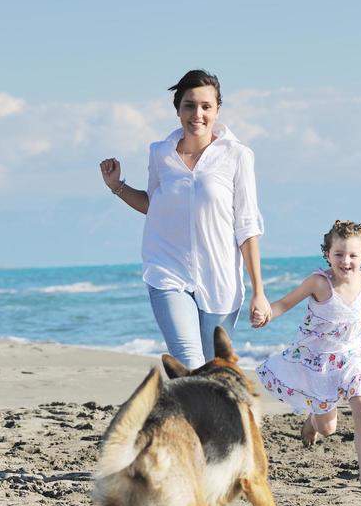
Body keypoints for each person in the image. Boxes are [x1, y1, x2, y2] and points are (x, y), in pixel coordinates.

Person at [99, 70, 271, 369]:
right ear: (178, 110)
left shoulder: (237, 155)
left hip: (220, 280)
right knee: (188, 363)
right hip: (167, 269)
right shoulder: (160, 153)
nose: (198, 114)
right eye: (189, 105)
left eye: (206, 106)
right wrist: (117, 186)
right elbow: (153, 204)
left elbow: (247, 226)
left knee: (215, 369)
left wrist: (259, 291)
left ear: (217, 109)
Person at [254, 221, 361, 489]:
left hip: (351, 358)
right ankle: (312, 423)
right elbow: (285, 303)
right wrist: (266, 314)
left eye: (353, 255)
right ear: (327, 254)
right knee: (329, 429)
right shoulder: (319, 282)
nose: (346, 261)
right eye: (338, 254)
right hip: (317, 362)